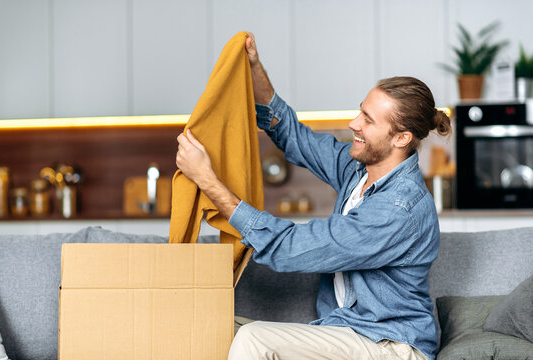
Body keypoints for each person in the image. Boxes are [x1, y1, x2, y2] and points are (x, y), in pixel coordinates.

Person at [175, 32, 451, 360]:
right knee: (210, 327)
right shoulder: (358, 171)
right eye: (359, 111)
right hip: (345, 332)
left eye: (368, 120)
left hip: (392, 345)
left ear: (402, 138)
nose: (353, 123)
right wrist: (253, 68)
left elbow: (291, 247)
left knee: (254, 340)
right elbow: (295, 136)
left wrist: (207, 180)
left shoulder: (398, 209)